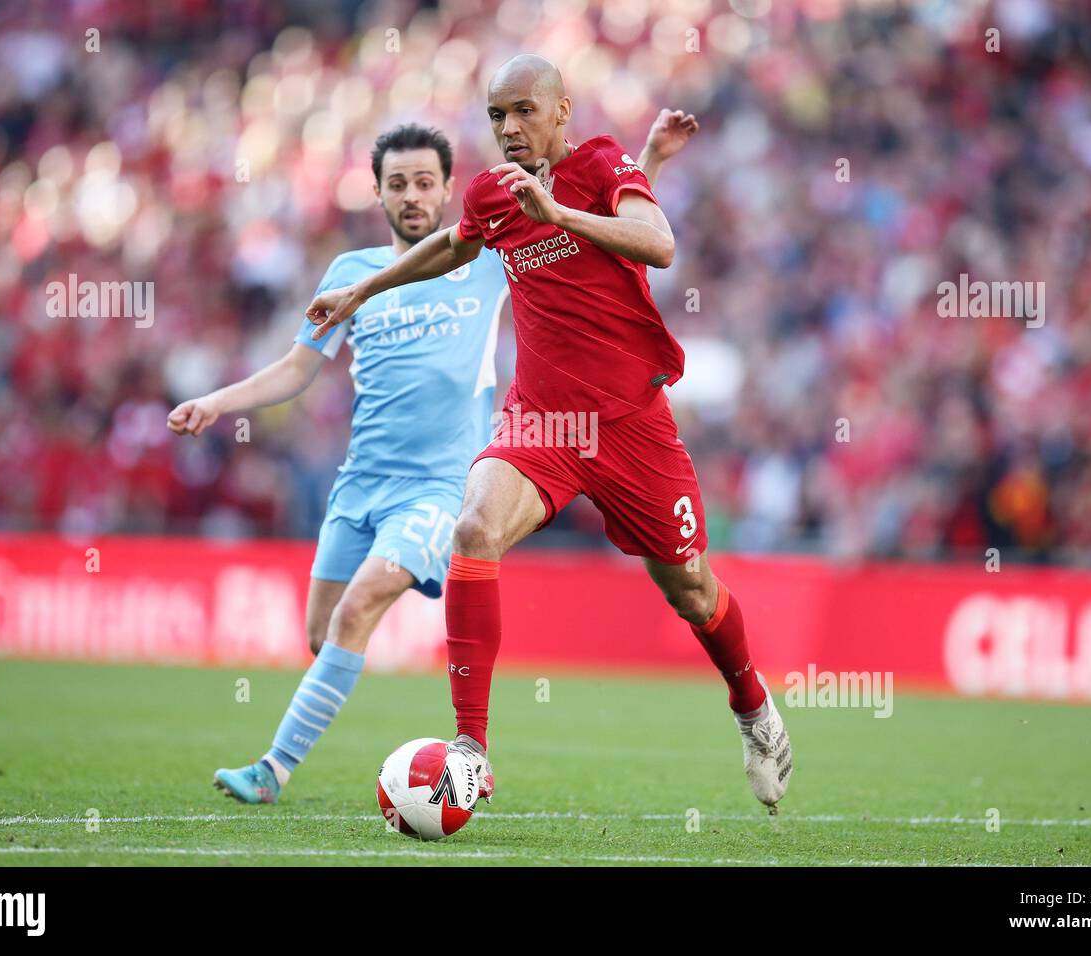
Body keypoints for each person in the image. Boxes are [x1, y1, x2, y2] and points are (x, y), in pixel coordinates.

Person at [305, 55, 791, 812]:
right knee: (474, 528)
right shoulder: (494, 193)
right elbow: (456, 246)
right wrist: (363, 289)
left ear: (562, 110)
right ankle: (472, 746)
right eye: (497, 116)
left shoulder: (600, 161)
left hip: (632, 424)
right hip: (541, 420)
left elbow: (657, 243)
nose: (508, 129)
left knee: (692, 592)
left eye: (524, 111)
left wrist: (564, 212)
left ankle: (753, 706)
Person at [168, 111, 697, 804]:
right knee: (322, 633)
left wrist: (649, 162)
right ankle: (422, 749)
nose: (413, 195)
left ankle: (272, 772)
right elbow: (297, 369)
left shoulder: (483, 258)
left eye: (425, 182)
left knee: (359, 609)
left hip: (441, 487)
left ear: (448, 189)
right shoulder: (351, 273)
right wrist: (220, 402)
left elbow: (604, 247)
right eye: (398, 184)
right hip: (359, 485)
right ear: (379, 194)